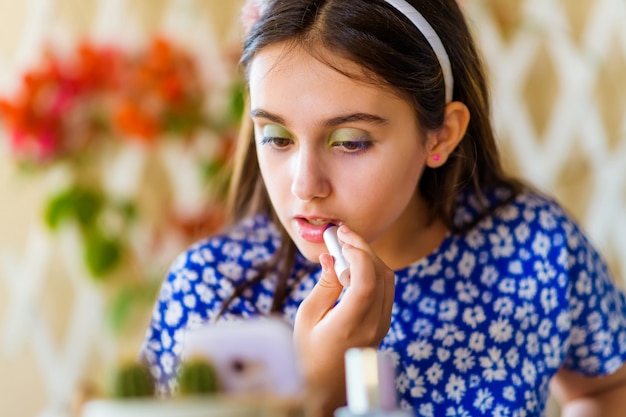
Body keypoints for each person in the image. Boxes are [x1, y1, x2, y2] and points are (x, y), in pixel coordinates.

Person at [140, 0, 626, 416]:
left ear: (440, 135)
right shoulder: (211, 293)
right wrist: (317, 391)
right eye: (278, 137)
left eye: (349, 142)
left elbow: (608, 386)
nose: (305, 185)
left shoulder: (534, 248)